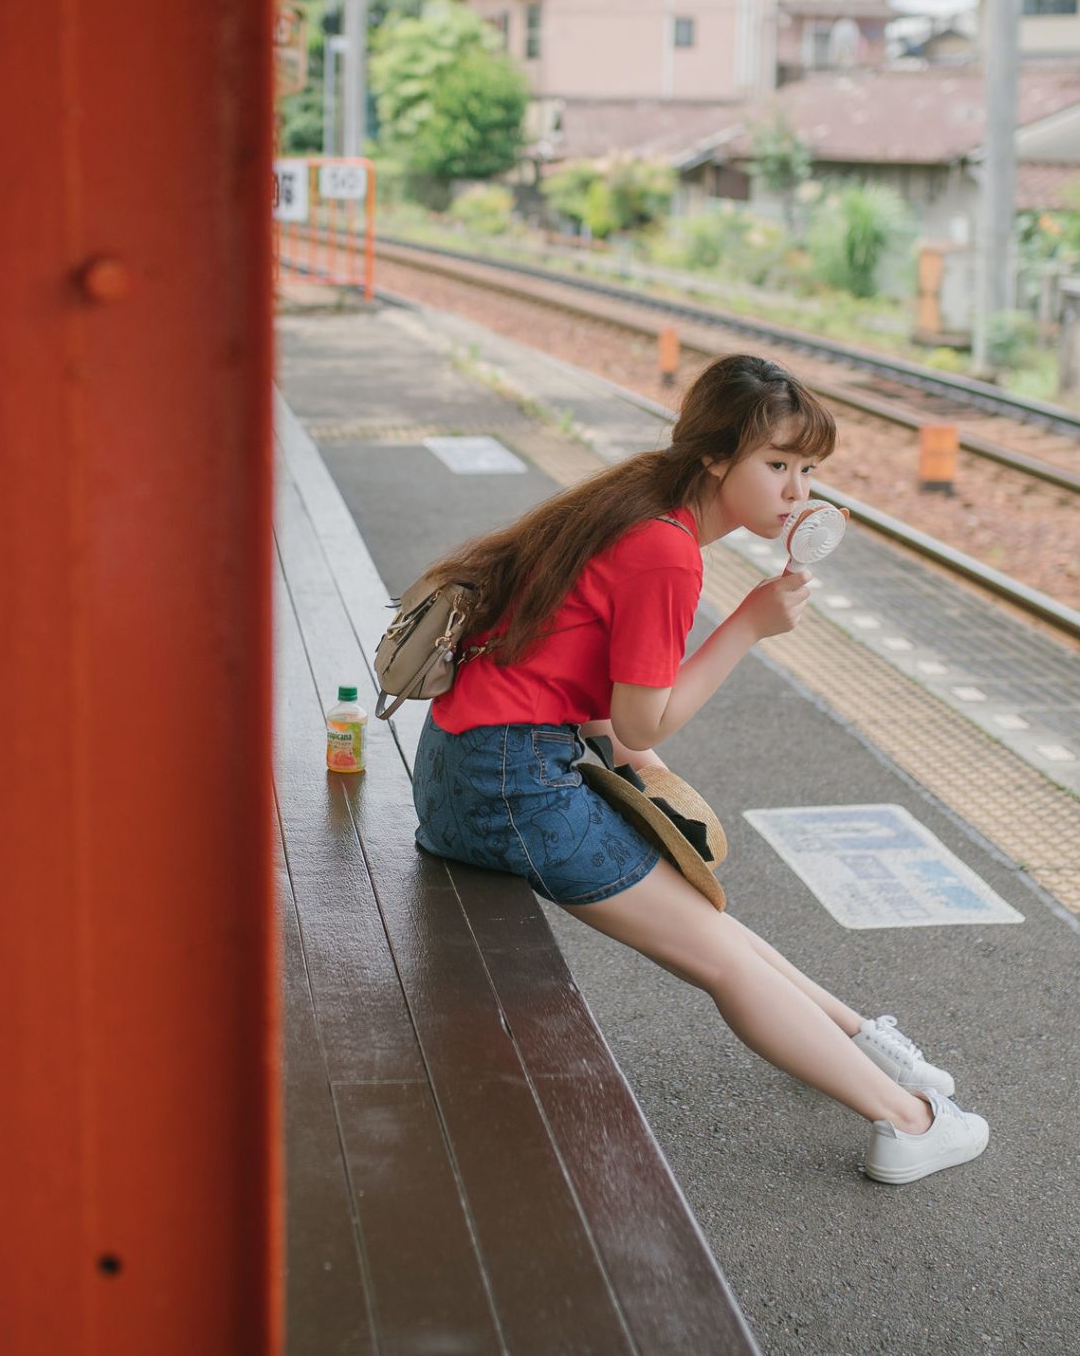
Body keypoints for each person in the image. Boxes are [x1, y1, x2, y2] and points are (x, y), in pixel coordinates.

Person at [411, 353, 989, 1185]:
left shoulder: (637, 499)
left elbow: (581, 665)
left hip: (466, 767)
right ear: (717, 456)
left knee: (710, 918)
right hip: (512, 786)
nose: (799, 491)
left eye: (809, 468)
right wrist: (749, 623)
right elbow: (647, 712)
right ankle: (907, 1121)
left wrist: (629, 754)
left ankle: (862, 1044)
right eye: (779, 465)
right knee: (718, 956)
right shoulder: (668, 550)